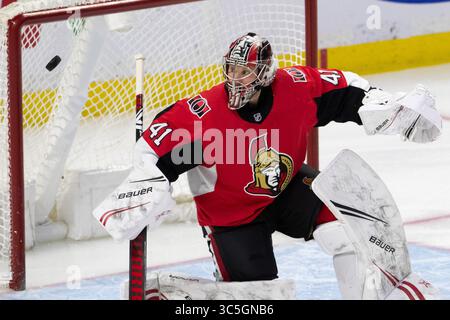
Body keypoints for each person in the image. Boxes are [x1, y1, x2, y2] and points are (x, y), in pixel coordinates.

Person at [94, 32, 442, 299]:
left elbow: (347, 90)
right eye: (231, 69)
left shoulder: (296, 90)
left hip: (288, 190)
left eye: (245, 72)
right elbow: (156, 142)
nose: (235, 78)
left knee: (350, 235)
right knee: (259, 301)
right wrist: (147, 179)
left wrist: (389, 106)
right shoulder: (204, 114)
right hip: (231, 219)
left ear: (264, 74)